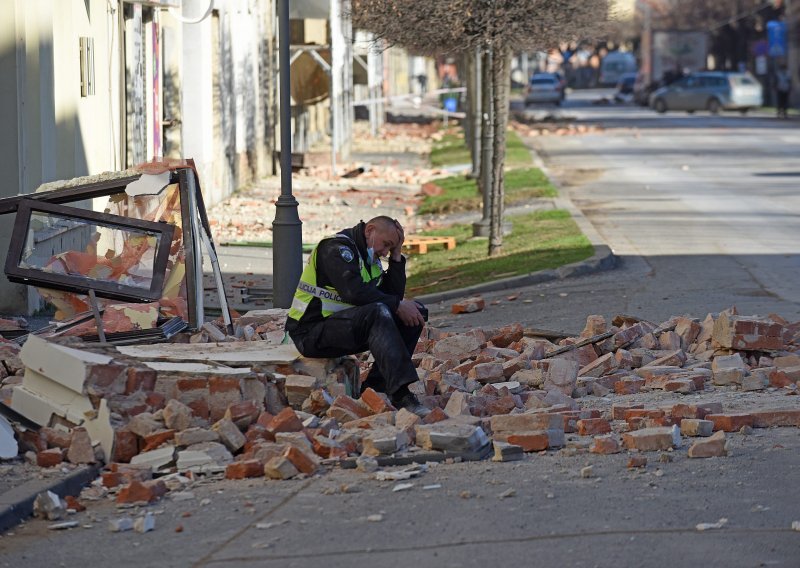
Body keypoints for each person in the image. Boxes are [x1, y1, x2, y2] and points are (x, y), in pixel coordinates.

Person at [285, 216, 430, 417]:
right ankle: (400, 393)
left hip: (342, 328)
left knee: (415, 313)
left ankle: (376, 389)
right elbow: (353, 292)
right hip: (310, 332)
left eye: (390, 248)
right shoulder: (335, 249)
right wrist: (396, 304)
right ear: (370, 230)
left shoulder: (370, 258)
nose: (385, 252)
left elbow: (393, 297)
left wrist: (397, 256)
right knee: (379, 311)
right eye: (386, 244)